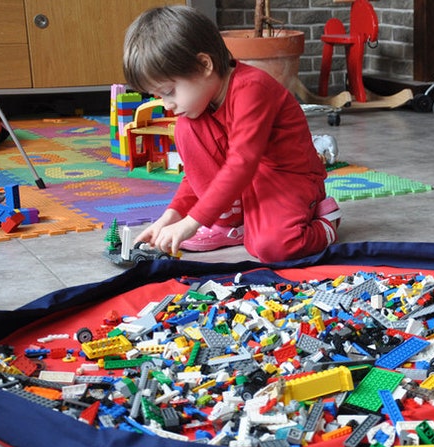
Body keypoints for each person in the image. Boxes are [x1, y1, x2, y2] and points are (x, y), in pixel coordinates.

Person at [123, 6, 341, 262]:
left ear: (205, 65)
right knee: (185, 126)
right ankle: (233, 223)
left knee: (273, 248)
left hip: (288, 177)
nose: (166, 104)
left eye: (169, 91)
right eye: (159, 95)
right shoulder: (199, 108)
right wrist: (172, 216)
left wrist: (193, 221)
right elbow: (195, 175)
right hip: (246, 182)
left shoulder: (251, 89)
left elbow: (241, 164)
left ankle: (326, 221)